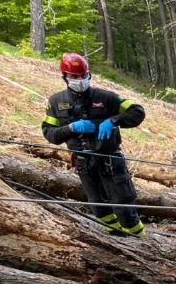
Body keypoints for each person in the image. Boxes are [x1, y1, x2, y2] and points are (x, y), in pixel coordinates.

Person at [42, 52, 147, 237]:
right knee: (100, 209)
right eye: (74, 77)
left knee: (124, 207)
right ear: (65, 77)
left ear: (89, 74)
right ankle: (119, 240)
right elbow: (49, 133)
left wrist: (113, 120)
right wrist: (71, 128)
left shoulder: (106, 97)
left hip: (110, 161)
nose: (80, 80)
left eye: (83, 76)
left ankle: (142, 242)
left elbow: (137, 112)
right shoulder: (56, 102)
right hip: (84, 163)